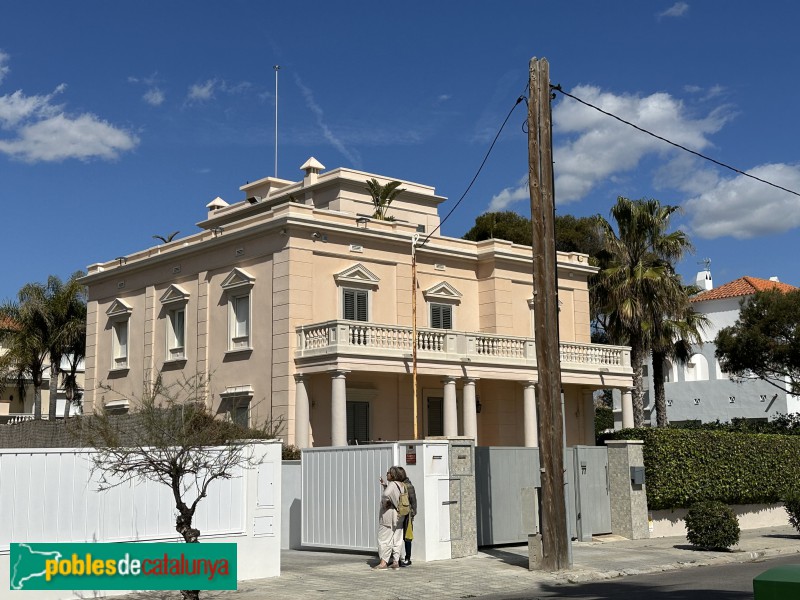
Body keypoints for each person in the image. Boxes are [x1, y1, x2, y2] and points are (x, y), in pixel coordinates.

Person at [374, 465, 404, 570]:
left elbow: (386, 494)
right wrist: (384, 485)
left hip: (388, 516)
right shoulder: (401, 485)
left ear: (393, 475)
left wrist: (385, 502)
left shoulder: (392, 484)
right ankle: (396, 562)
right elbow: (394, 495)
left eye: (389, 472)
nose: (387, 474)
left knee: (384, 539)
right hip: (399, 516)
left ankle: (383, 563)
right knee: (397, 539)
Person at [396, 466, 417, 567]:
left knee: (407, 536)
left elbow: (413, 500)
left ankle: (408, 558)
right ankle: (397, 558)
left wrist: (412, 513)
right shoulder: (398, 485)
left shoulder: (408, 485)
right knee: (399, 535)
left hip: (407, 514)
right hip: (400, 513)